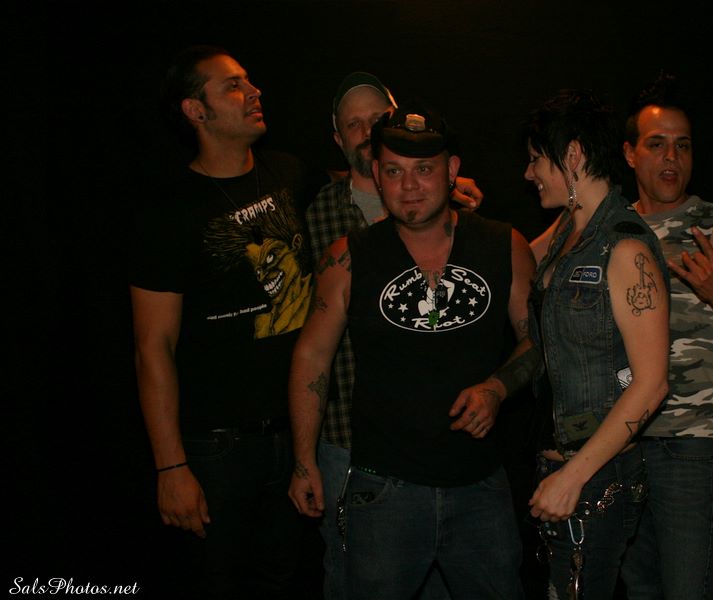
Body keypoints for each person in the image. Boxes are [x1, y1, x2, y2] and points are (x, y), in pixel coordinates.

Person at [288, 99, 538, 599]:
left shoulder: (503, 245)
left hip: (479, 487)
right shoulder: (347, 257)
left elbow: (541, 340)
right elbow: (311, 358)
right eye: (394, 171)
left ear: (452, 170)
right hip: (383, 490)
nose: (409, 185)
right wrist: (304, 460)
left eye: (423, 169)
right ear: (376, 176)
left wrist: (497, 388)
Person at [129, 45, 322, 599]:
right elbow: (153, 346)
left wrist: (444, 189)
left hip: (295, 435)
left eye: (249, 81)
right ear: (196, 110)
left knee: (284, 582)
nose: (254, 92)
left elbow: (356, 184)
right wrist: (171, 467)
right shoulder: (168, 211)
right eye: (233, 86)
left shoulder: (287, 171)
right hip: (217, 447)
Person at [304, 71, 482, 600]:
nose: (365, 133)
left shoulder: (446, 202)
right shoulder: (316, 213)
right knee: (350, 574)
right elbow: (308, 345)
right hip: (344, 434)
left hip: (437, 436)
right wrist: (304, 454)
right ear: (337, 138)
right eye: (352, 125)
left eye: (375, 120)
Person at [618, 73, 713, 600]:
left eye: (682, 146)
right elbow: (528, 266)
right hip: (616, 442)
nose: (671, 158)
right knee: (638, 590)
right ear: (629, 154)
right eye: (656, 144)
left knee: (690, 589)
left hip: (686, 445)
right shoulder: (608, 227)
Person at [524, 89, 671, 599]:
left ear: (572, 155)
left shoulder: (625, 246)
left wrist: (573, 477)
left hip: (595, 477)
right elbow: (510, 258)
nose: (528, 173)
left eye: (536, 158)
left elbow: (652, 385)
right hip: (561, 468)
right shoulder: (570, 230)